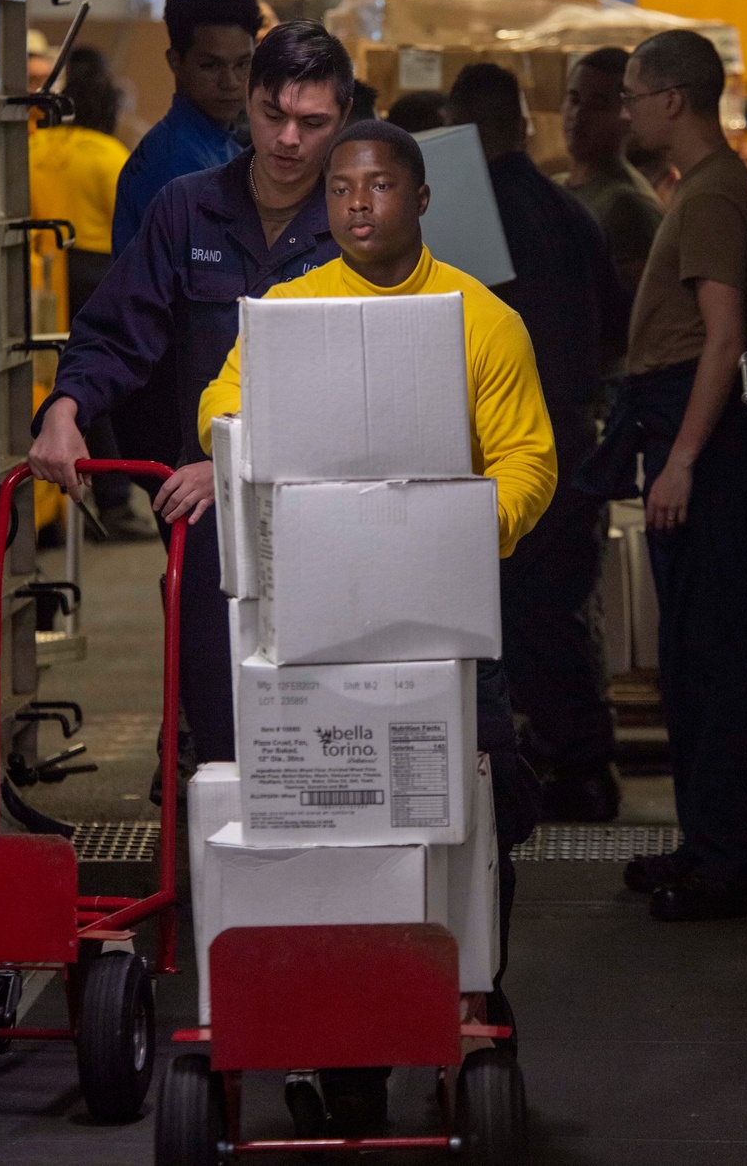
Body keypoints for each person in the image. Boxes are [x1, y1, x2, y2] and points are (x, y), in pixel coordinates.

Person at [199, 119, 557, 1132]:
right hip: (310, 622)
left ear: (421, 196)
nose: (358, 205)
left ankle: (470, 990)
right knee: (326, 825)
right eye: (343, 189)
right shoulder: (288, 313)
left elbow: (527, 457)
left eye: (381, 187)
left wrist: (444, 537)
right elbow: (223, 408)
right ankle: (333, 1017)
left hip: (439, 626)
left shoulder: (480, 322)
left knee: (468, 819)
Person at [28, 21, 355, 763]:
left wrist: (241, 460)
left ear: (345, 116)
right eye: (274, 114)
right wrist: (66, 409)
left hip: (333, 513)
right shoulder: (186, 209)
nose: (289, 141)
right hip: (210, 520)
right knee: (220, 719)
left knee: (329, 725)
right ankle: (220, 857)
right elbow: (115, 329)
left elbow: (372, 391)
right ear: (249, 99)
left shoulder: (362, 220)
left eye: (313, 123)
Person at [581, 29, 747, 920]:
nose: (624, 110)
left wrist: (684, 464)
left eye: (630, 94)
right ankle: (712, 844)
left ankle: (735, 864)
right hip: (693, 435)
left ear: (673, 99)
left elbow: (723, 342)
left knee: (715, 657)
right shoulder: (704, 189)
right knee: (696, 657)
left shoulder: (707, 199)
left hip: (708, 443)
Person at [447, 63, 629, 822]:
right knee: (554, 606)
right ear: (523, 122)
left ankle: (581, 770)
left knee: (527, 611)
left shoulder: (460, 212)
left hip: (508, 440)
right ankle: (574, 761)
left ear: (457, 127)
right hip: (572, 429)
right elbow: (618, 328)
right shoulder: (568, 208)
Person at [30, 48, 156, 542]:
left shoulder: (35, 148)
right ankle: (116, 498)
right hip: (106, 274)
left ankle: (61, 500)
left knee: (57, 386)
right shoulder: (112, 158)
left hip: (46, 277)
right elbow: (139, 230)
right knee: (109, 391)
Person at [111, 0, 263, 256]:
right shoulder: (173, 164)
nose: (230, 82)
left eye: (243, 64)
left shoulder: (227, 148)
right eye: (210, 65)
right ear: (175, 61)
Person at [560, 48, 663, 293]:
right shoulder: (557, 187)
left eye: (598, 105)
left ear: (627, 116)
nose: (578, 114)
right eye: (574, 100)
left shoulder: (627, 207)